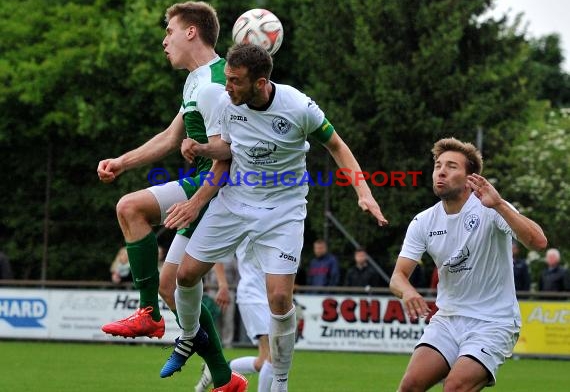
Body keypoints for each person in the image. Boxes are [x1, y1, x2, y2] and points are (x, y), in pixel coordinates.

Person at [160, 43, 388, 391]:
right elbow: (227, 151)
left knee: (280, 299)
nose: (227, 86)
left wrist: (364, 191)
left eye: (235, 81)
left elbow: (337, 145)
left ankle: (279, 380)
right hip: (235, 200)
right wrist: (202, 148)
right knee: (186, 276)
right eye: (228, 79)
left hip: (283, 211)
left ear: (261, 82)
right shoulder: (226, 101)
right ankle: (190, 337)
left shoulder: (298, 106)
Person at [96, 1, 246, 391]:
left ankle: (148, 314)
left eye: (169, 31)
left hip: (217, 186)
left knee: (130, 207)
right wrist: (121, 162)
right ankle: (226, 378)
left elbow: (226, 156)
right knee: (170, 285)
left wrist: (196, 200)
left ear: (192, 32)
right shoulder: (197, 79)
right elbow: (170, 137)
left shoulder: (215, 84)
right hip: (203, 181)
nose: (165, 41)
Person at [390, 137, 547, 392]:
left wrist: (498, 205)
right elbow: (398, 276)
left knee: (455, 387)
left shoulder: (491, 208)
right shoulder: (423, 221)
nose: (441, 171)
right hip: (449, 318)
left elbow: (538, 241)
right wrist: (407, 291)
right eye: (438, 165)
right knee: (409, 386)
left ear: (470, 177)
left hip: (494, 321)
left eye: (452, 166)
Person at [196, 239, 274, 392]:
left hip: (269, 298)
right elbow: (217, 251)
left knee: (263, 361)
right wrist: (223, 285)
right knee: (275, 357)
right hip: (253, 298)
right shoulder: (244, 222)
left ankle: (215, 369)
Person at [203, 257, 239, 348]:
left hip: (229, 290)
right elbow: (205, 275)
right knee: (213, 318)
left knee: (228, 318)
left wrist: (233, 288)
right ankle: (214, 342)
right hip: (212, 290)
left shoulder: (232, 259)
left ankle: (227, 342)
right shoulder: (211, 257)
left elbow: (237, 275)